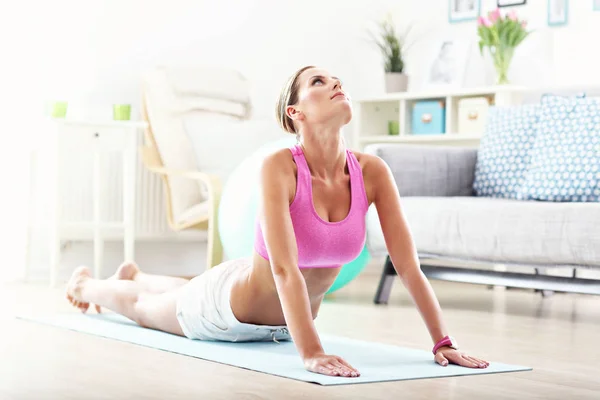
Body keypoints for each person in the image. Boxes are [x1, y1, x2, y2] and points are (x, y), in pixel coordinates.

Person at [65, 65, 489, 378]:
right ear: (295, 113)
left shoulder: (372, 172)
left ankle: (137, 273)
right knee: (139, 307)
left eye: (336, 80)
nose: (336, 84)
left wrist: (442, 341)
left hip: (278, 321)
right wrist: (311, 352)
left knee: (177, 288)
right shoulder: (279, 167)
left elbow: (408, 265)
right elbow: (286, 269)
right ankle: (87, 285)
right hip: (222, 313)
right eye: (318, 83)